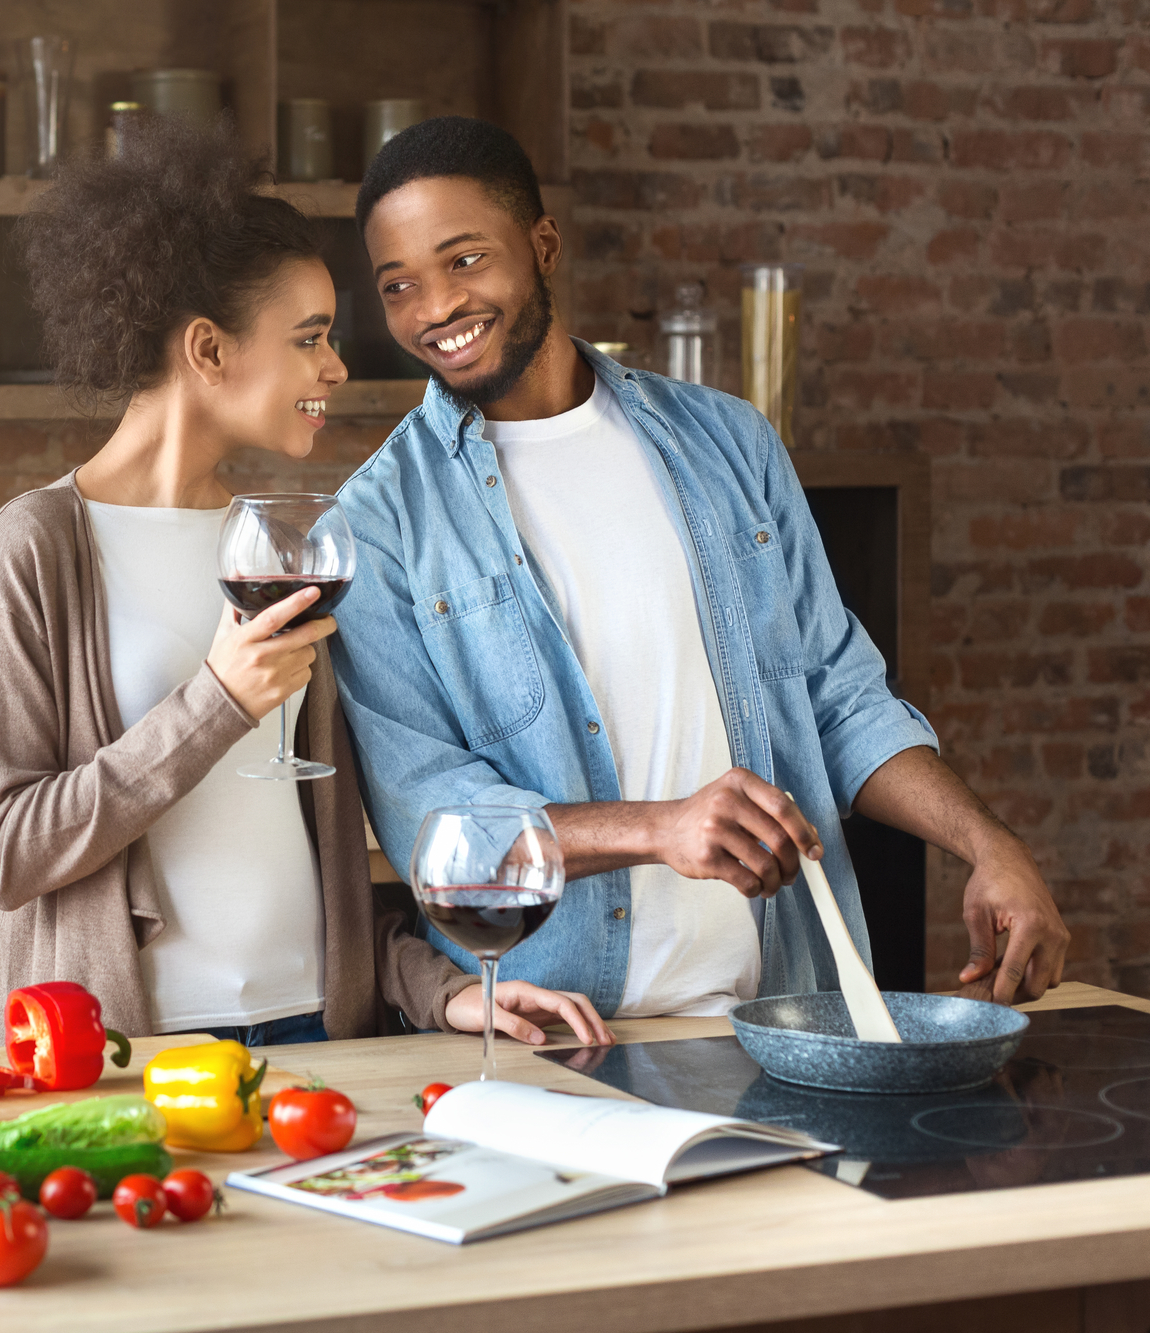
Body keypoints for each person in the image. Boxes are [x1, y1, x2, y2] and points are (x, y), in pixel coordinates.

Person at [331, 117, 1069, 1017]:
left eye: (464, 260)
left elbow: (838, 696)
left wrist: (988, 843)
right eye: (398, 284)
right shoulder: (376, 525)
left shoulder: (730, 443)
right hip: (556, 1037)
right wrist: (663, 826)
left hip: (788, 1017)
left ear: (543, 245)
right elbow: (436, 830)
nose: (434, 307)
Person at [0, 118, 613, 1051]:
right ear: (209, 352)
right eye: (309, 338)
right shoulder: (34, 549)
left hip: (316, 1032)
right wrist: (217, 701)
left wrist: (444, 991)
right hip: (133, 1050)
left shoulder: (286, 548)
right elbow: (6, 853)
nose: (337, 368)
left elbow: (328, 860)